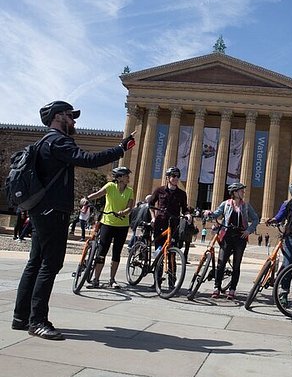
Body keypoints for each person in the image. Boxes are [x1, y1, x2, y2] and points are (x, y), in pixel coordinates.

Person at [12, 100, 135, 340]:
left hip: (39, 210)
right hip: (53, 211)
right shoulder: (58, 140)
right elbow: (88, 159)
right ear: (59, 117)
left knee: (35, 263)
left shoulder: (43, 142)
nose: (74, 120)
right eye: (71, 115)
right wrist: (121, 149)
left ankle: (20, 317)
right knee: (49, 265)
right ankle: (37, 321)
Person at [206, 182, 259, 300]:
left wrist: (249, 230)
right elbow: (216, 214)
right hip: (227, 236)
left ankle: (232, 289)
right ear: (235, 192)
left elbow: (256, 219)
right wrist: (209, 213)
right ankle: (217, 287)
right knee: (221, 263)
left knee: (236, 265)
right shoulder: (226, 204)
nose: (243, 192)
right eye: (241, 190)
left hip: (240, 237)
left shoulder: (245, 206)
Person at [86, 167, 135, 289]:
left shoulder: (130, 191)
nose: (128, 177)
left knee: (116, 253)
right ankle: (96, 279)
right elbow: (97, 194)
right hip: (107, 223)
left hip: (122, 225)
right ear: (119, 178)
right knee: (102, 251)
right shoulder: (110, 186)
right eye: (126, 175)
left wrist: (122, 212)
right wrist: (86, 199)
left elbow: (130, 207)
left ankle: (112, 279)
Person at [149, 166, 190, 250]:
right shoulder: (159, 190)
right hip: (160, 221)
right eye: (173, 176)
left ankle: (171, 263)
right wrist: (153, 218)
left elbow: (184, 209)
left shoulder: (182, 194)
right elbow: (151, 204)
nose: (176, 178)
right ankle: (158, 262)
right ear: (167, 178)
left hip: (174, 223)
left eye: (178, 176)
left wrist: (188, 215)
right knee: (159, 248)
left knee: (172, 249)